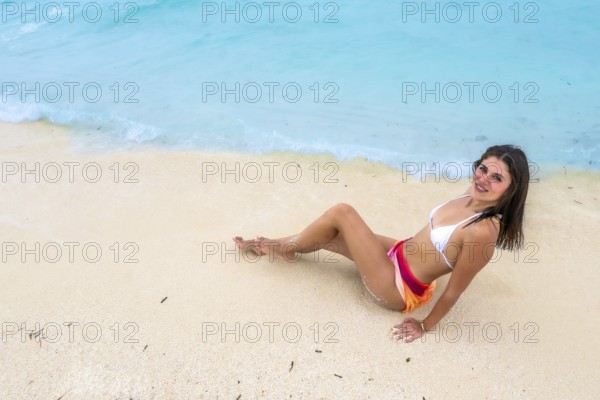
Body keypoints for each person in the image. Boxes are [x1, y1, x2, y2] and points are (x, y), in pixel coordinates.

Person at [233, 144, 529, 343]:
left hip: (398, 286)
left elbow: (454, 290)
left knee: (342, 213)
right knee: (330, 235)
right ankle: (280, 247)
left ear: (512, 189)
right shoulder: (471, 193)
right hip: (398, 251)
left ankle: (279, 247)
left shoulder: (483, 232)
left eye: (497, 178)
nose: (484, 179)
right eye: (483, 169)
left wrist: (425, 327)